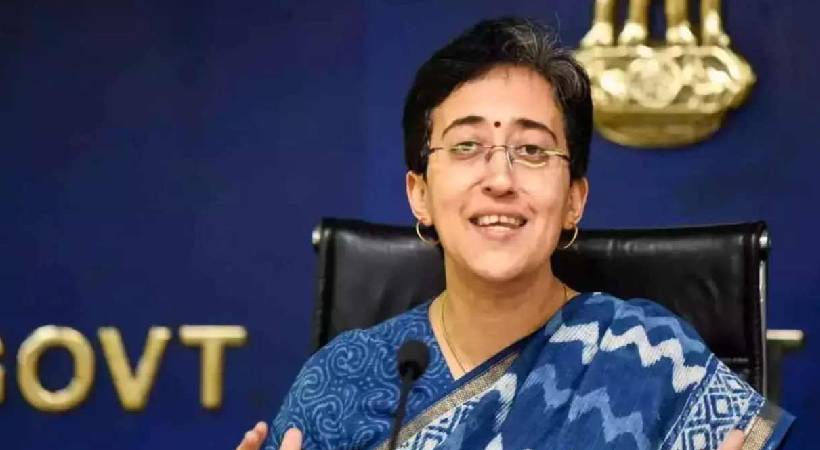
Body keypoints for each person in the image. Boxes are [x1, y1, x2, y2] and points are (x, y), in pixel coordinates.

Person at [237, 17, 793, 450]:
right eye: (466, 146)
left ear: (574, 199)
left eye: (531, 149)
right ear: (419, 193)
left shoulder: (650, 357)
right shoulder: (342, 383)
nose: (500, 179)